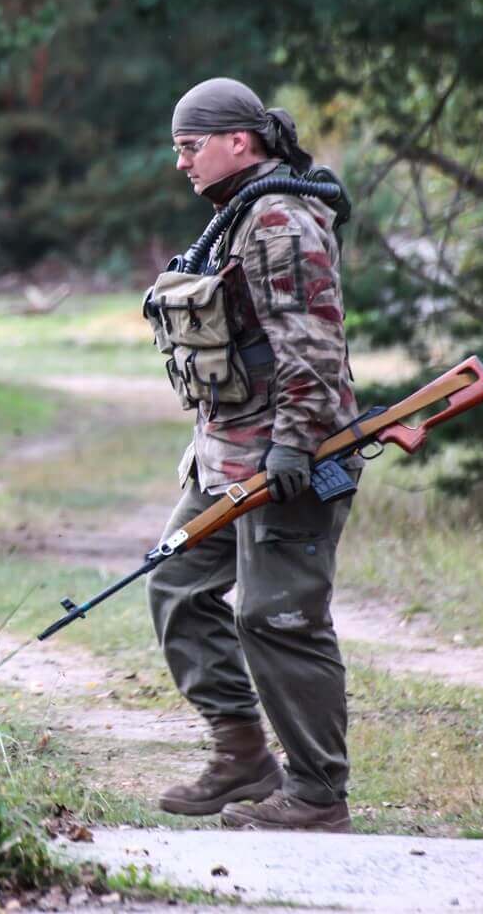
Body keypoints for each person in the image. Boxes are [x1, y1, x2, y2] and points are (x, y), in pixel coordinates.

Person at [146, 77, 359, 832]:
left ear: (241, 140)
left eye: (190, 146)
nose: (182, 163)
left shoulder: (281, 220)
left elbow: (312, 345)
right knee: (174, 583)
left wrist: (295, 446)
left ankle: (315, 793)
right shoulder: (239, 218)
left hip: (287, 456)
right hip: (228, 456)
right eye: (178, 148)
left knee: (278, 617)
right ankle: (242, 756)